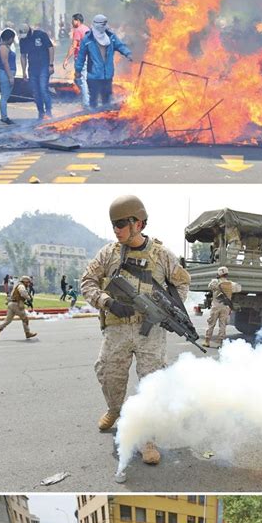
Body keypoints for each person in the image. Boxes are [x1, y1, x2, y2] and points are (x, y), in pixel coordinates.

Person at [80, 195, 191, 461]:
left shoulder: (162, 255)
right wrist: (107, 302)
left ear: (138, 223)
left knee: (152, 384)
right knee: (108, 373)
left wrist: (167, 309)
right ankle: (114, 409)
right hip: (117, 330)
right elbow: (86, 282)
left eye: (120, 223)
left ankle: (148, 440)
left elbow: (183, 285)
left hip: (150, 331)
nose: (115, 229)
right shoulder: (107, 254)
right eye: (113, 224)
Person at [75, 13, 132, 110]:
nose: (103, 27)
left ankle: (105, 122)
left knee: (107, 100)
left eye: (104, 24)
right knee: (93, 101)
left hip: (107, 75)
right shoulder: (87, 39)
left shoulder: (111, 37)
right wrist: (78, 71)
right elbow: (81, 57)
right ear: (95, 24)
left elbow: (120, 46)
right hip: (93, 76)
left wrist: (128, 54)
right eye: (101, 24)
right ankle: (92, 121)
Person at [18, 22, 54, 120]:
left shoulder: (41, 35)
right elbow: (23, 56)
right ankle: (41, 112)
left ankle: (49, 111)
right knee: (36, 92)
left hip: (44, 67)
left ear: (29, 30)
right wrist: (24, 72)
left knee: (43, 89)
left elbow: (50, 48)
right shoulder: (22, 40)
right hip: (32, 69)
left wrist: (51, 64)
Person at [203, 266, 241, 348]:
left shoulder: (215, 282)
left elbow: (210, 286)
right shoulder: (232, 284)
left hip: (216, 307)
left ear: (219, 273)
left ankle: (207, 341)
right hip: (226, 307)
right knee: (223, 325)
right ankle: (220, 343)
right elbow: (238, 289)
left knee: (211, 324)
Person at [0, 275, 37, 342]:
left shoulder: (17, 286)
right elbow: (23, 294)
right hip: (17, 305)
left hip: (11, 304)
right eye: (27, 282)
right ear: (24, 281)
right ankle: (27, 333)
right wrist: (29, 298)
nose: (28, 284)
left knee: (7, 320)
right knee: (25, 319)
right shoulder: (21, 286)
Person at [62, 12, 90, 109]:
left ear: (77, 21)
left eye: (73, 20)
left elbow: (74, 46)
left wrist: (66, 59)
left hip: (80, 58)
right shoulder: (87, 29)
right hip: (87, 57)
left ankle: (86, 104)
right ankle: (86, 99)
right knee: (80, 79)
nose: (72, 22)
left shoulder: (78, 30)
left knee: (81, 80)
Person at [0, 28, 16, 124]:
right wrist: (10, 76)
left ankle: (4, 116)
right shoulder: (3, 48)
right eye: (12, 38)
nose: (13, 41)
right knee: (4, 97)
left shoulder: (4, 47)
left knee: (5, 96)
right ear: (9, 38)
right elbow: (5, 63)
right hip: (5, 74)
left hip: (5, 73)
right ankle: (4, 117)